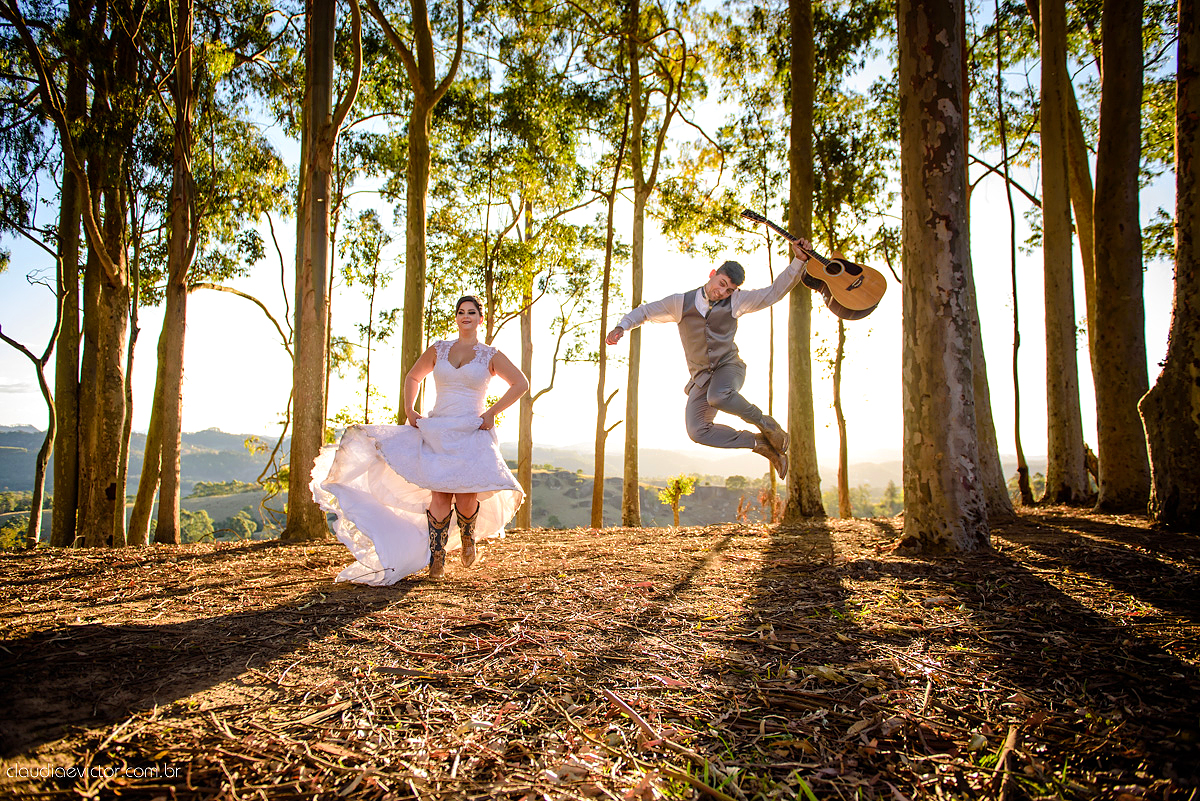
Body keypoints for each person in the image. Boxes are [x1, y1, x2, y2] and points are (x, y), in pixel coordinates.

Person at [310, 296, 529, 584]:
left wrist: (491, 414)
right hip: (437, 429)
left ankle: (467, 536)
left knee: (465, 496)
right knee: (439, 494)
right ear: (457, 318)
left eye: (471, 312)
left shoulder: (490, 355)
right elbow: (414, 376)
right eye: (461, 312)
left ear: (480, 318)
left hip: (471, 431)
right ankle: (436, 555)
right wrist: (409, 410)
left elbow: (521, 384)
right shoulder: (439, 349)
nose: (466, 316)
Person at [606, 238, 812, 479]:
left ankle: (767, 424)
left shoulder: (736, 301)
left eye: (729, 290)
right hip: (702, 378)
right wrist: (622, 327)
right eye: (722, 284)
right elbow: (645, 311)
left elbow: (773, 293)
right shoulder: (680, 303)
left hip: (729, 367)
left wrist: (798, 260)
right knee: (697, 431)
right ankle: (761, 445)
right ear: (713, 274)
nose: (722, 292)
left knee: (719, 396)